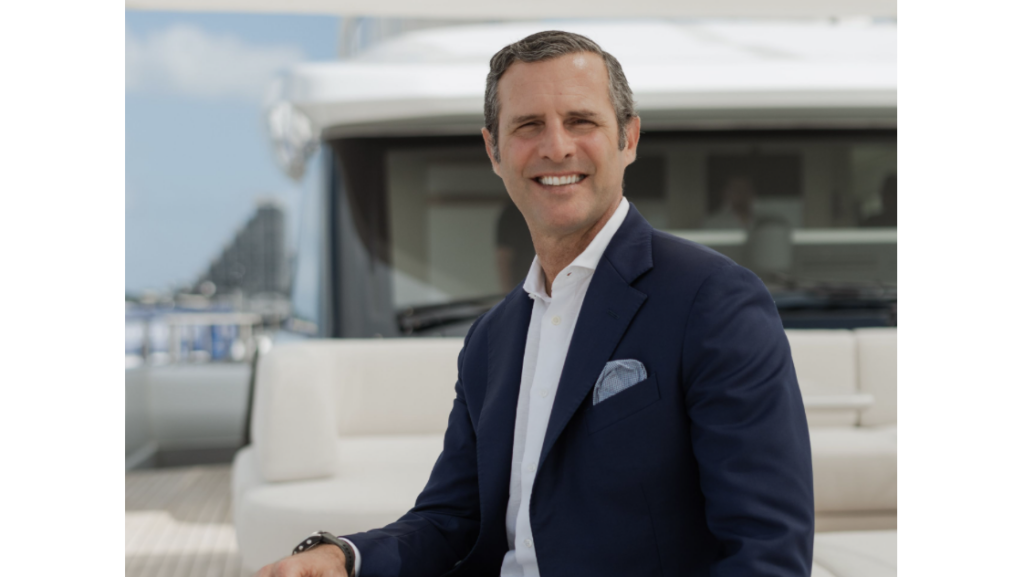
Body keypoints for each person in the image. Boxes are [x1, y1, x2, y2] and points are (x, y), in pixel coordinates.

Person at [258, 30, 814, 577]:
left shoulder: (712, 300)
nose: (556, 146)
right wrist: (341, 558)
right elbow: (450, 520)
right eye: (528, 126)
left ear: (629, 139)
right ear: (493, 151)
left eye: (581, 121)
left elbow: (767, 548)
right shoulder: (490, 340)